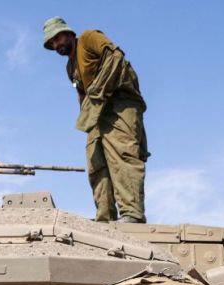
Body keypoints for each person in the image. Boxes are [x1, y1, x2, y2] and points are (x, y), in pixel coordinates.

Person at [42, 17, 149, 223]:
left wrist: (97, 96)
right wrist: (87, 116)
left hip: (120, 103)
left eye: (57, 38)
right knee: (96, 161)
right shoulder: (69, 67)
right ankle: (105, 216)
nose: (56, 45)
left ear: (69, 33)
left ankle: (132, 212)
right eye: (52, 43)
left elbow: (116, 58)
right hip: (96, 112)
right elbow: (81, 93)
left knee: (122, 154)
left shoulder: (89, 38)